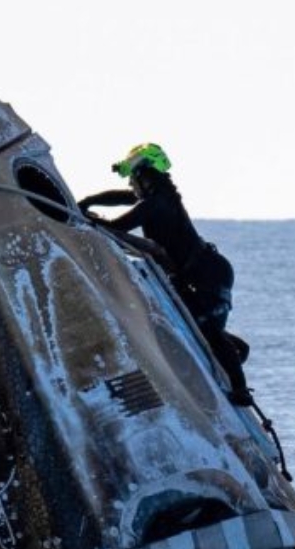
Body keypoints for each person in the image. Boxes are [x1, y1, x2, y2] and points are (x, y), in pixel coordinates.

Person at [78, 143, 253, 406]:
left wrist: (88, 217)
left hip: (210, 273)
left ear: (144, 175)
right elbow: (123, 198)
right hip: (196, 274)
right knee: (198, 326)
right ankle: (236, 350)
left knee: (208, 329)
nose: (130, 182)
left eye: (132, 176)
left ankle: (241, 391)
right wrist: (89, 201)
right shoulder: (156, 197)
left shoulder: (157, 203)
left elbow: (119, 226)